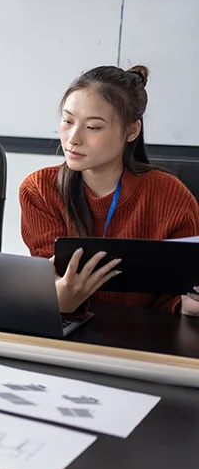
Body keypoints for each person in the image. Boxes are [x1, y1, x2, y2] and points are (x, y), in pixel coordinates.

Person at [19, 65, 199, 315]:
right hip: (68, 336)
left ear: (131, 131)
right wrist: (58, 299)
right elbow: (50, 283)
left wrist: (186, 306)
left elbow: (175, 295)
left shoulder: (171, 196)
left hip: (147, 341)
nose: (73, 138)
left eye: (93, 127)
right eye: (67, 121)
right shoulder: (39, 190)